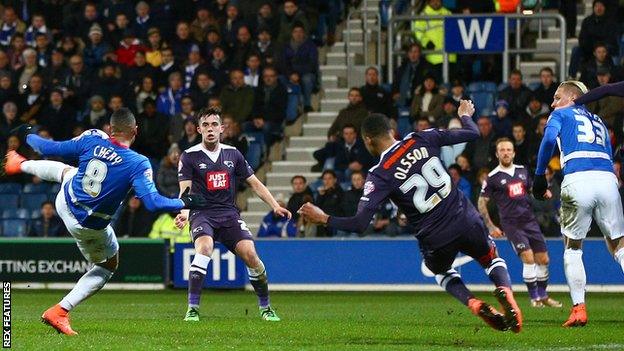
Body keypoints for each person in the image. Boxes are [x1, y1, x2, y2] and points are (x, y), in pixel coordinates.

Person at [299, 102, 523, 333]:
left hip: (436, 236)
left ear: (367, 140)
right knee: (490, 258)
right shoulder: (420, 138)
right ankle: (506, 292)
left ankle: (475, 304)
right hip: (466, 218)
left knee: (441, 271)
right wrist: (465, 116)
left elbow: (359, 223)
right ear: (391, 131)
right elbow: (473, 133)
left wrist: (324, 218)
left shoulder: (379, 175)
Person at [3, 108, 208, 335]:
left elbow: (48, 148)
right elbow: (153, 203)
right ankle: (60, 310)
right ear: (135, 131)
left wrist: (27, 133)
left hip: (65, 200)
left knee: (67, 172)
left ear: (110, 129)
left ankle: (17, 163)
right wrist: (184, 202)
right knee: (107, 265)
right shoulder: (138, 163)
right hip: (88, 225)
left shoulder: (92, 138)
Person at [174, 107, 291, 322]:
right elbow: (185, 190)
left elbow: (254, 183)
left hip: (228, 214)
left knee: (250, 255)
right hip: (202, 213)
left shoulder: (233, 154)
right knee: (205, 248)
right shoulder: (189, 156)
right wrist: (183, 212)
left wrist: (275, 205)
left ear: (222, 128)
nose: (210, 129)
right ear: (199, 129)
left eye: (214, 124)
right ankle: (192, 309)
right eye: (206, 125)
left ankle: (266, 308)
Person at [534, 80, 624, 327]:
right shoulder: (599, 122)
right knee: (619, 246)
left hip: (577, 178)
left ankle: (579, 309)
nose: (553, 103)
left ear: (572, 97)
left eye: (556, 97)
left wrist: (540, 175)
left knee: (572, 247)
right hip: (607, 181)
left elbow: (549, 139)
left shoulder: (561, 114)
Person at [478, 138, 562, 308]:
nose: (506, 153)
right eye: (502, 150)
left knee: (543, 259)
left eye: (509, 150)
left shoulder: (522, 171)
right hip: (511, 224)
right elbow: (481, 202)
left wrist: (543, 192)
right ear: (497, 154)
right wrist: (491, 226)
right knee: (528, 258)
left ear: (514, 153)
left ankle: (543, 296)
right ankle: (535, 299)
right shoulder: (493, 177)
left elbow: (532, 189)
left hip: (529, 221)